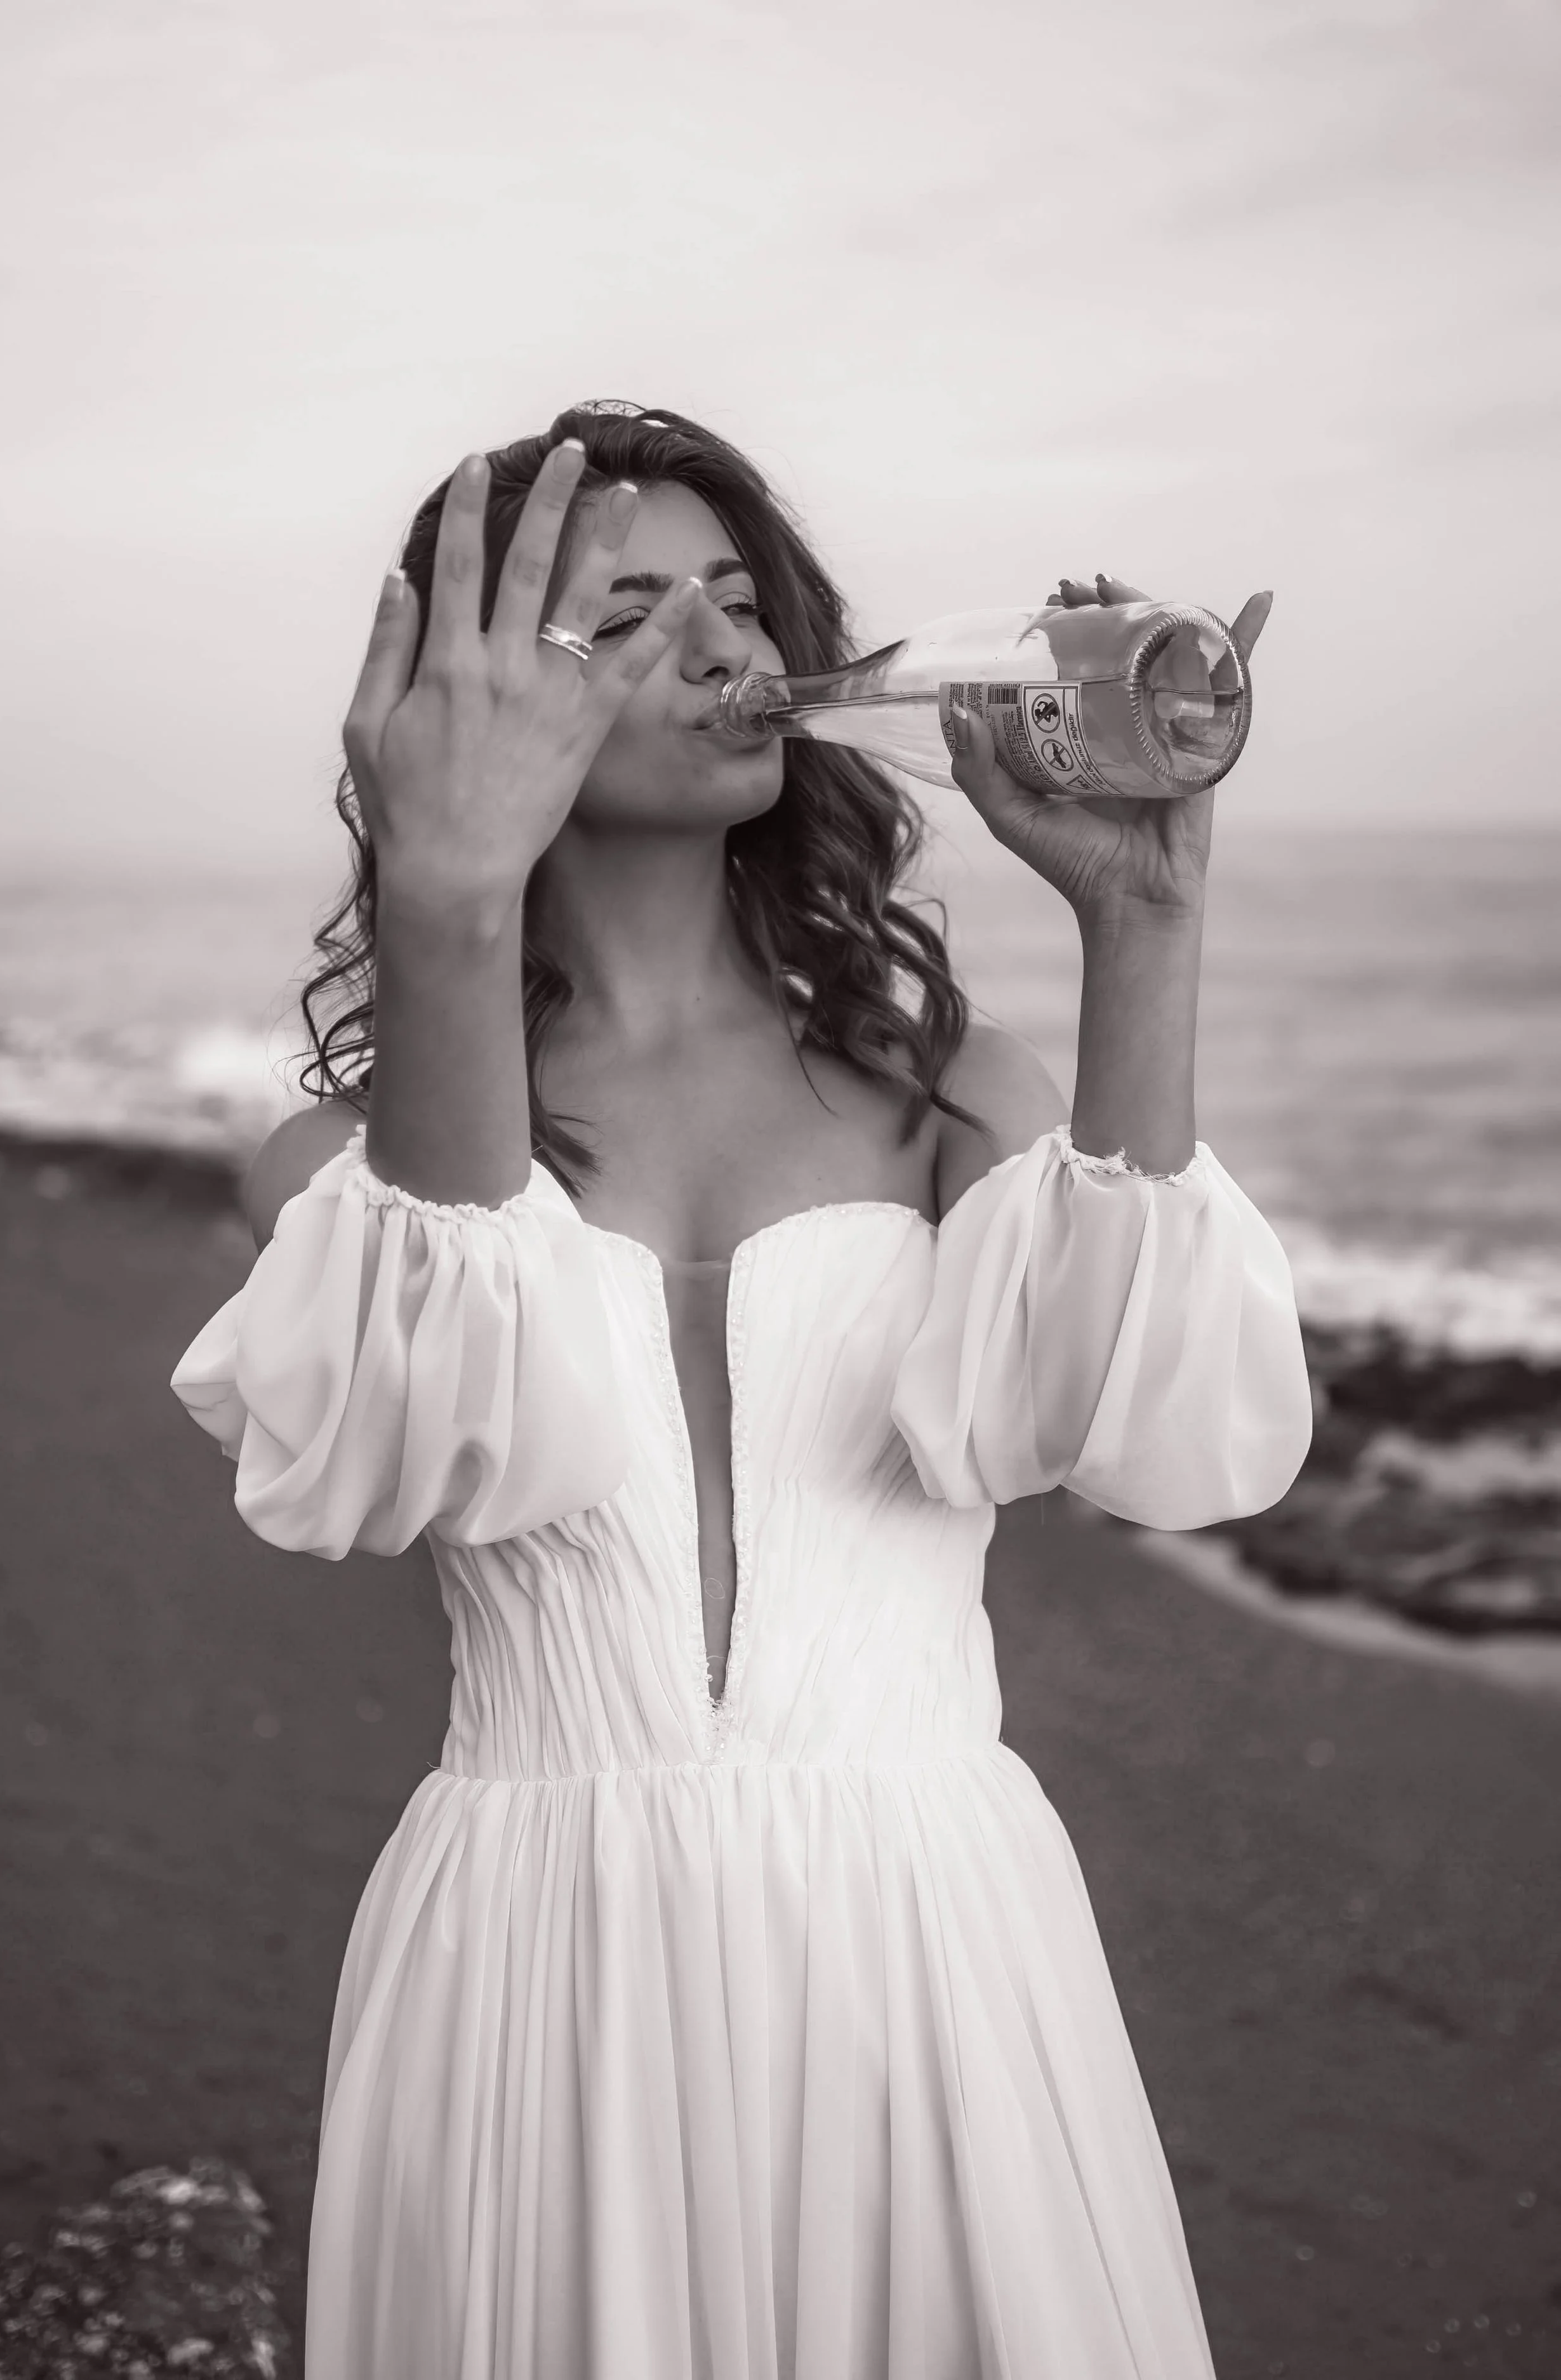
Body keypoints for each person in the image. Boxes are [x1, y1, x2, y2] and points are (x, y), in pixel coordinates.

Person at [172, 400, 1312, 2380]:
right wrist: (449, 897)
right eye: (626, 613)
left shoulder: (944, 1097)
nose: (721, 648)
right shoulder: (336, 1176)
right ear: (466, 696)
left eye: (733, 596)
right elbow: (433, 1436)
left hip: (930, 1939)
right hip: (540, 1965)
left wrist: (1142, 916)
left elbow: (1149, 1435)